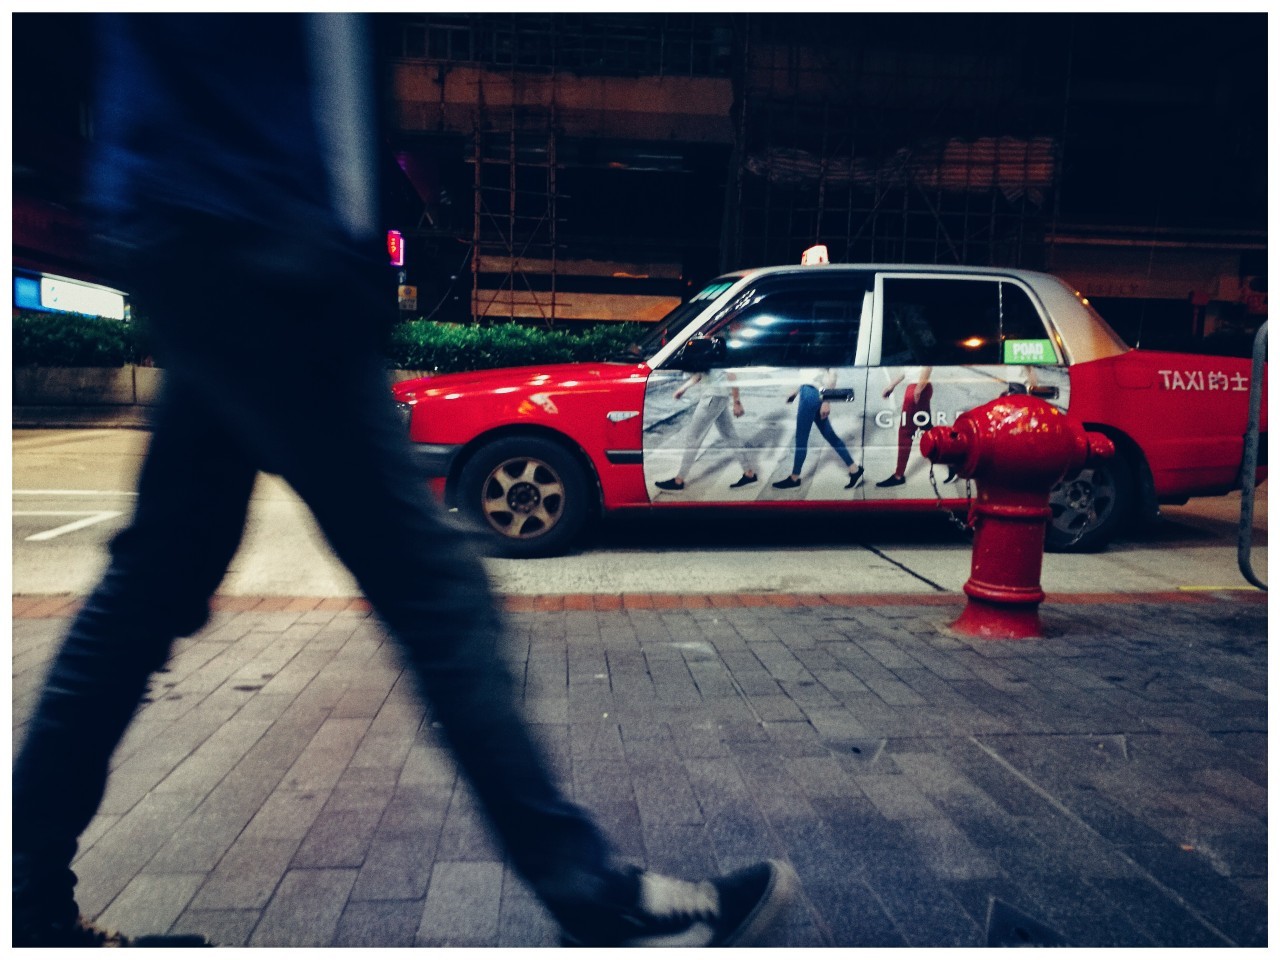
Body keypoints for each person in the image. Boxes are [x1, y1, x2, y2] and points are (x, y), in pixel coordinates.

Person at [11, 14, 796, 947]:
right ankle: (591, 895)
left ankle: (21, 901)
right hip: (262, 242)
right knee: (436, 592)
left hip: (211, 227)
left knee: (148, 587)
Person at [654, 367, 758, 491]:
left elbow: (731, 375)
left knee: (693, 437)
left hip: (712, 398)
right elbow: (700, 374)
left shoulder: (717, 352)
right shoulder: (710, 352)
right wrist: (683, 388)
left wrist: (737, 401)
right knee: (730, 435)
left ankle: (678, 480)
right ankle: (749, 473)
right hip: (716, 397)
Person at [772, 368, 865, 491]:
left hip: (811, 397)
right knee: (830, 436)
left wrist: (826, 402)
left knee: (801, 439)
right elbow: (809, 377)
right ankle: (854, 469)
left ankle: (794, 478)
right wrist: (795, 392)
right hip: (808, 393)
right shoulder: (809, 350)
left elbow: (832, 376)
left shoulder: (825, 350)